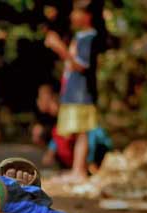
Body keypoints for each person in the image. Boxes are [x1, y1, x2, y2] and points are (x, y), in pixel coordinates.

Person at [44, 0, 102, 183]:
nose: (72, 16)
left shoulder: (90, 37)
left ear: (87, 16)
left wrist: (59, 48)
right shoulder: (81, 37)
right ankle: (77, 169)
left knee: (82, 132)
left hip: (81, 93)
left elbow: (81, 66)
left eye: (76, 13)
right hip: (74, 91)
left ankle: (79, 171)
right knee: (77, 132)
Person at [32, 83, 112, 172]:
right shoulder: (52, 117)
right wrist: (50, 151)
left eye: (40, 97)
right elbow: (57, 135)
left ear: (50, 97)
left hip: (97, 149)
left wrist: (89, 161)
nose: (38, 101)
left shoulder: (67, 110)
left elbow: (90, 134)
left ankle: (82, 167)